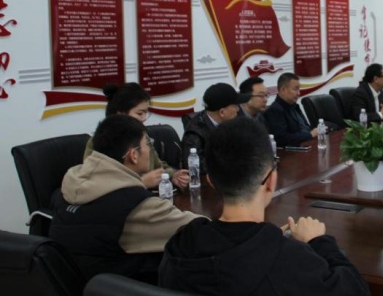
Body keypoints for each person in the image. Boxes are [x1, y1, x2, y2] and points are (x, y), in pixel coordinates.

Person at [159, 117, 371, 296]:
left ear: (211, 181)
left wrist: (264, 240)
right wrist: (319, 242)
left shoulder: (180, 245)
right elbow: (356, 289)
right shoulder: (290, 261)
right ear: (271, 181)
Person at [51, 115, 201, 283]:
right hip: (128, 286)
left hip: (80, 283)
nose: (150, 149)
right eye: (147, 143)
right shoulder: (135, 205)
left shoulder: (69, 184)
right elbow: (200, 230)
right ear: (133, 155)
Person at [83, 82, 189, 189]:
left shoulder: (142, 137)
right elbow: (95, 184)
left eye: (146, 113)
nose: (144, 118)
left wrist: (172, 175)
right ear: (121, 113)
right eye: (140, 113)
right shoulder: (98, 142)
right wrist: (141, 183)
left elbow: (158, 166)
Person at [182, 83, 250, 175]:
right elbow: (196, 167)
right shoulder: (194, 134)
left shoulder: (234, 121)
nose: (238, 109)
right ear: (222, 112)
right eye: (235, 105)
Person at [264, 73, 317, 147]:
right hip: (293, 151)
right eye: (295, 89)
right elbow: (282, 138)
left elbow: (306, 127)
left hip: (307, 144)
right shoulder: (275, 110)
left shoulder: (295, 106)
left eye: (299, 89)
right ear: (283, 90)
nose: (298, 93)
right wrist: (309, 135)